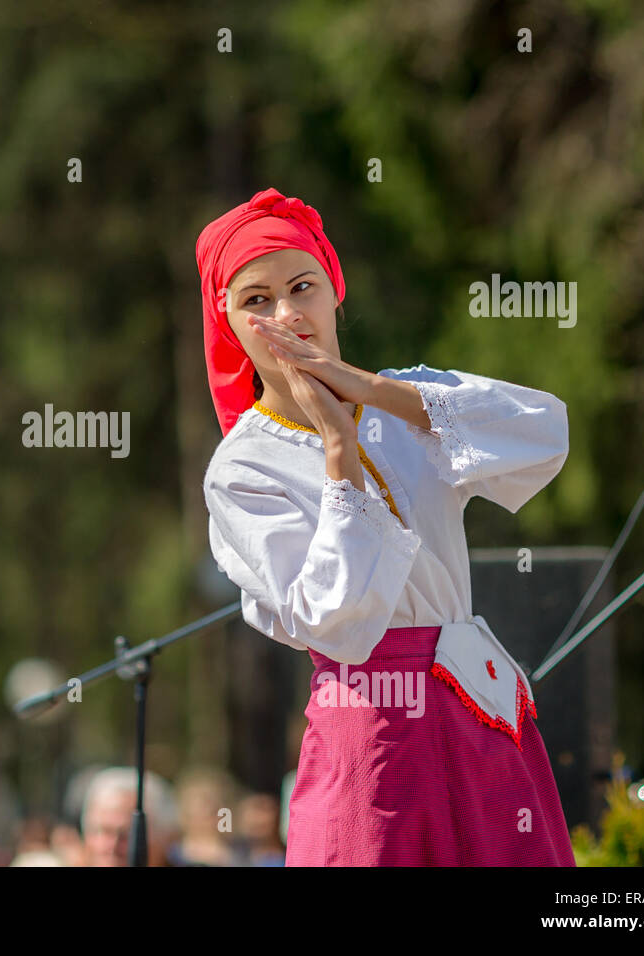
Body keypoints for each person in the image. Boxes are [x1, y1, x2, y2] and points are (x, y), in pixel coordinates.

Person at [196, 187, 574, 865]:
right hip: (371, 726)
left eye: (301, 287)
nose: (286, 313)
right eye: (255, 299)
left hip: (479, 710)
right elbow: (334, 620)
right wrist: (340, 453)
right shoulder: (242, 468)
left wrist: (365, 390)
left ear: (334, 290)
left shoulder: (409, 399)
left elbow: (544, 435)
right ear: (228, 321)